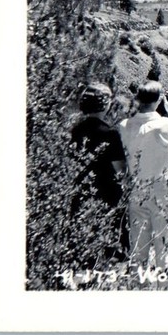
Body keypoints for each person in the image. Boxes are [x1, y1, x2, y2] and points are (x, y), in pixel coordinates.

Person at [118, 81, 168, 280]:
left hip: (136, 188)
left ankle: (136, 286)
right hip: (163, 187)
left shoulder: (124, 126)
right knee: (165, 245)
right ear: (159, 100)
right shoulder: (165, 125)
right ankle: (167, 288)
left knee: (138, 247)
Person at [70, 82, 126, 260]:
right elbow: (121, 170)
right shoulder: (110, 133)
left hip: (80, 190)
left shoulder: (76, 129)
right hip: (105, 194)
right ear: (106, 104)